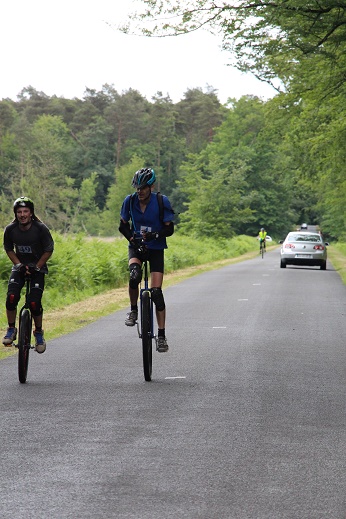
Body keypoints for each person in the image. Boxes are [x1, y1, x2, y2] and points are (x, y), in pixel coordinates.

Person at [119, 168, 174, 353]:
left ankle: (161, 335)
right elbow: (123, 226)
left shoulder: (161, 201)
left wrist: (155, 234)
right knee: (134, 276)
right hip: (137, 246)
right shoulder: (130, 201)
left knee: (156, 292)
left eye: (142, 188)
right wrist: (133, 240)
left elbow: (170, 229)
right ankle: (134, 310)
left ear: (151, 186)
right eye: (137, 187)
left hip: (156, 247)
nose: (139, 191)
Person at [2, 197, 54, 353]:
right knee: (11, 297)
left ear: (31, 213)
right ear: (15, 214)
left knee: (33, 303)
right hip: (19, 267)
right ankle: (12, 329)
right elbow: (9, 249)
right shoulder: (10, 230)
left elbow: (48, 250)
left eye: (25, 211)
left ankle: (38, 332)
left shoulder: (40, 229)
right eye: (19, 212)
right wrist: (18, 265)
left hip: (37, 268)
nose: (22, 215)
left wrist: (37, 267)